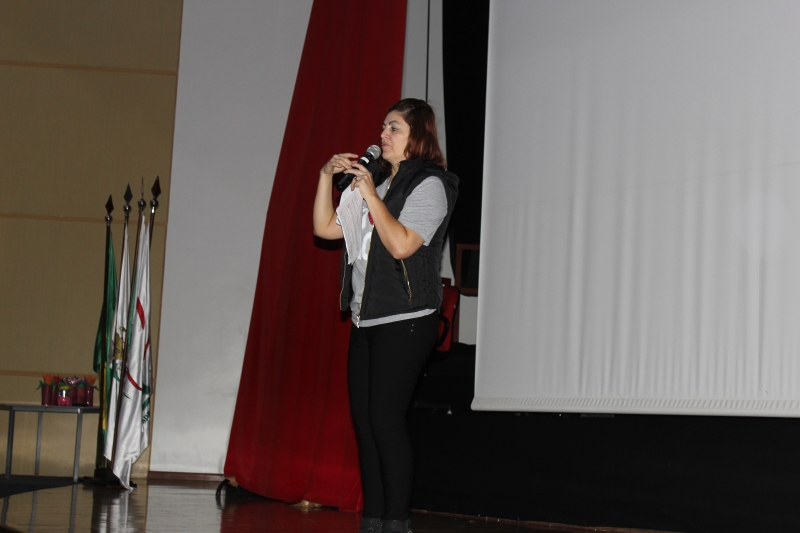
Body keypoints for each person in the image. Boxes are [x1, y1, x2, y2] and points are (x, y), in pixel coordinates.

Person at [313, 98, 458, 533]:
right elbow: (324, 229)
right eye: (383, 127)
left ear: (419, 135)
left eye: (394, 128)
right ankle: (373, 520)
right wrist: (325, 177)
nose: (383, 135)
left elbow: (401, 246)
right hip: (366, 318)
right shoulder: (373, 179)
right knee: (365, 424)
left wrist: (372, 196)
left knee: (386, 422)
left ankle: (396, 521)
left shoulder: (431, 184)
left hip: (407, 318)